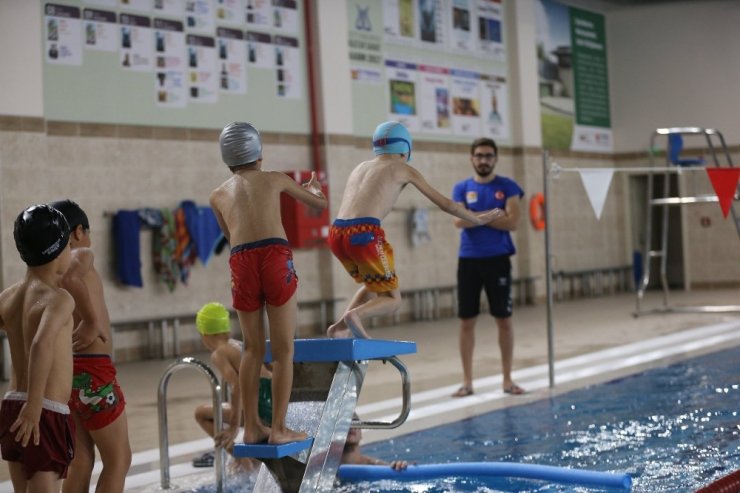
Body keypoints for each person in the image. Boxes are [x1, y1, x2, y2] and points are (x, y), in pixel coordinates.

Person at [326, 121, 503, 339]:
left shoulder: (361, 167)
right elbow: (446, 204)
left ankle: (340, 328)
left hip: (337, 234)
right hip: (364, 233)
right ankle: (354, 316)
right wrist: (477, 219)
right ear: (405, 149)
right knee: (392, 300)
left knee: (373, 284)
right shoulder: (403, 169)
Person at [209, 121, 327, 445]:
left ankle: (251, 428)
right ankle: (278, 429)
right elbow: (318, 204)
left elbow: (229, 235)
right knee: (284, 349)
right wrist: (315, 189)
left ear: (227, 159)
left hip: (241, 260)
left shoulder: (217, 195)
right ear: (259, 154)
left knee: (251, 348)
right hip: (274, 255)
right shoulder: (275, 178)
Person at [49, 199, 132, 493]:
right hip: (94, 371)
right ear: (78, 231)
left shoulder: (48, 268)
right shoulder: (79, 253)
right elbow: (71, 276)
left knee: (80, 460)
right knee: (119, 459)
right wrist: (91, 320)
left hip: (68, 373)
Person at [0, 204, 75, 493]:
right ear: (58, 251)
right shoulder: (58, 299)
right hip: (43, 410)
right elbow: (41, 345)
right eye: (69, 246)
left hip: (11, 404)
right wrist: (33, 407)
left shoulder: (9, 297)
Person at [451, 137, 525, 397]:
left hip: (498, 260)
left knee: (504, 320)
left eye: (488, 156)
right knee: (466, 322)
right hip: (469, 260)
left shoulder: (508, 186)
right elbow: (458, 221)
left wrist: (474, 216)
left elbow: (513, 222)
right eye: (479, 155)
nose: (484, 160)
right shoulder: (461, 187)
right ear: (472, 159)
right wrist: (495, 214)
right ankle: (467, 382)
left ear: (495, 159)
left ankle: (507, 379)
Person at [190, 302, 272, 469]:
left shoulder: (219, 353)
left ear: (204, 334)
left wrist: (233, 426)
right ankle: (248, 462)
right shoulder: (238, 344)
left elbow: (237, 386)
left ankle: (241, 458)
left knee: (201, 414)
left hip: (259, 404)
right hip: (272, 401)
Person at [341, 414, 409, 471]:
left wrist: (399, 466)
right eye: (344, 423)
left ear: (361, 434)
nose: (351, 426)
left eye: (355, 422)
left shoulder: (375, 465)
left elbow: (395, 469)